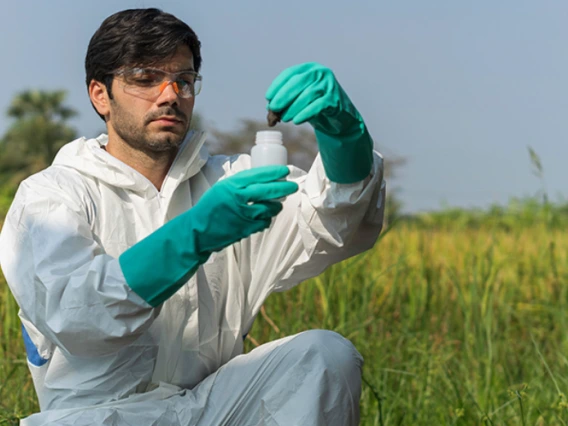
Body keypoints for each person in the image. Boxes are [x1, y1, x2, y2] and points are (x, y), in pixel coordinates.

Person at [0, 8, 386, 426]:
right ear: (100, 94)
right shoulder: (53, 195)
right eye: (146, 79)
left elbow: (332, 220)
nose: (170, 95)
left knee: (323, 357)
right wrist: (194, 235)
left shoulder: (231, 183)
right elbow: (79, 318)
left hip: (210, 407)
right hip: (95, 417)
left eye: (183, 80)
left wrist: (343, 133)